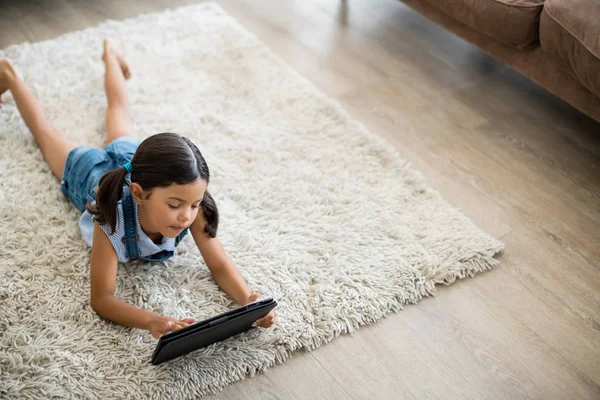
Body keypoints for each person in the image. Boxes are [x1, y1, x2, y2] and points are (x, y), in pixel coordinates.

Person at [0, 38, 275, 339]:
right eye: (175, 205)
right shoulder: (110, 219)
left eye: (194, 204)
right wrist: (150, 320)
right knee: (44, 133)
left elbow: (220, 265)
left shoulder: (193, 206)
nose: (186, 216)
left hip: (134, 160)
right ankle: (9, 74)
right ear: (138, 193)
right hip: (91, 175)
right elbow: (101, 298)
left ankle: (110, 54)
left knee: (119, 110)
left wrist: (248, 298)